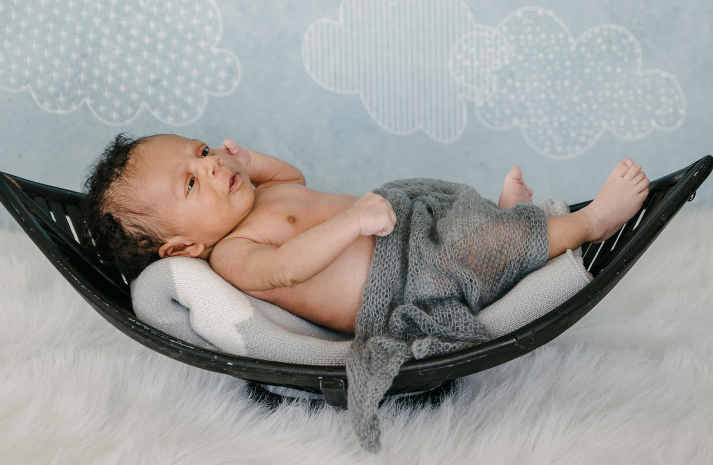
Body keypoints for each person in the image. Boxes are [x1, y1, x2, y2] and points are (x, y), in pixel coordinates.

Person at [84, 133, 650, 336]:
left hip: (409, 237)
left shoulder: (260, 195)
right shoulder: (234, 254)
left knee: (455, 219)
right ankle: (590, 222)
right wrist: (350, 222)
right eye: (190, 182)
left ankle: (504, 220)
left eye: (200, 151)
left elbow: (294, 179)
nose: (210, 165)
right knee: (473, 253)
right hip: (398, 284)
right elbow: (289, 269)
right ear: (183, 248)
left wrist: (252, 160)